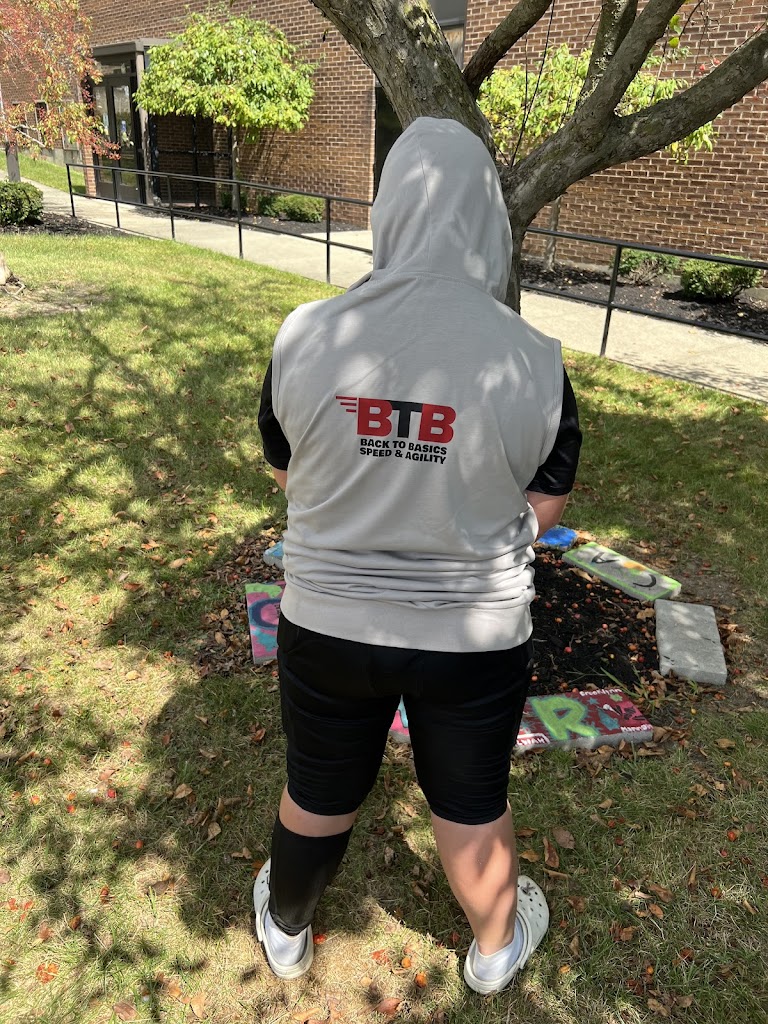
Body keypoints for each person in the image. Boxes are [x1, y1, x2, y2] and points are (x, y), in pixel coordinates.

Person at [255, 117, 582, 994]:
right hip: (475, 636)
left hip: (329, 621)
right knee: (470, 801)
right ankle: (494, 950)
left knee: (319, 787)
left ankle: (286, 930)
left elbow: (288, 470)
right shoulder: (535, 359)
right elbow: (545, 505)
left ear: (386, 211)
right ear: (489, 219)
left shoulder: (304, 335)